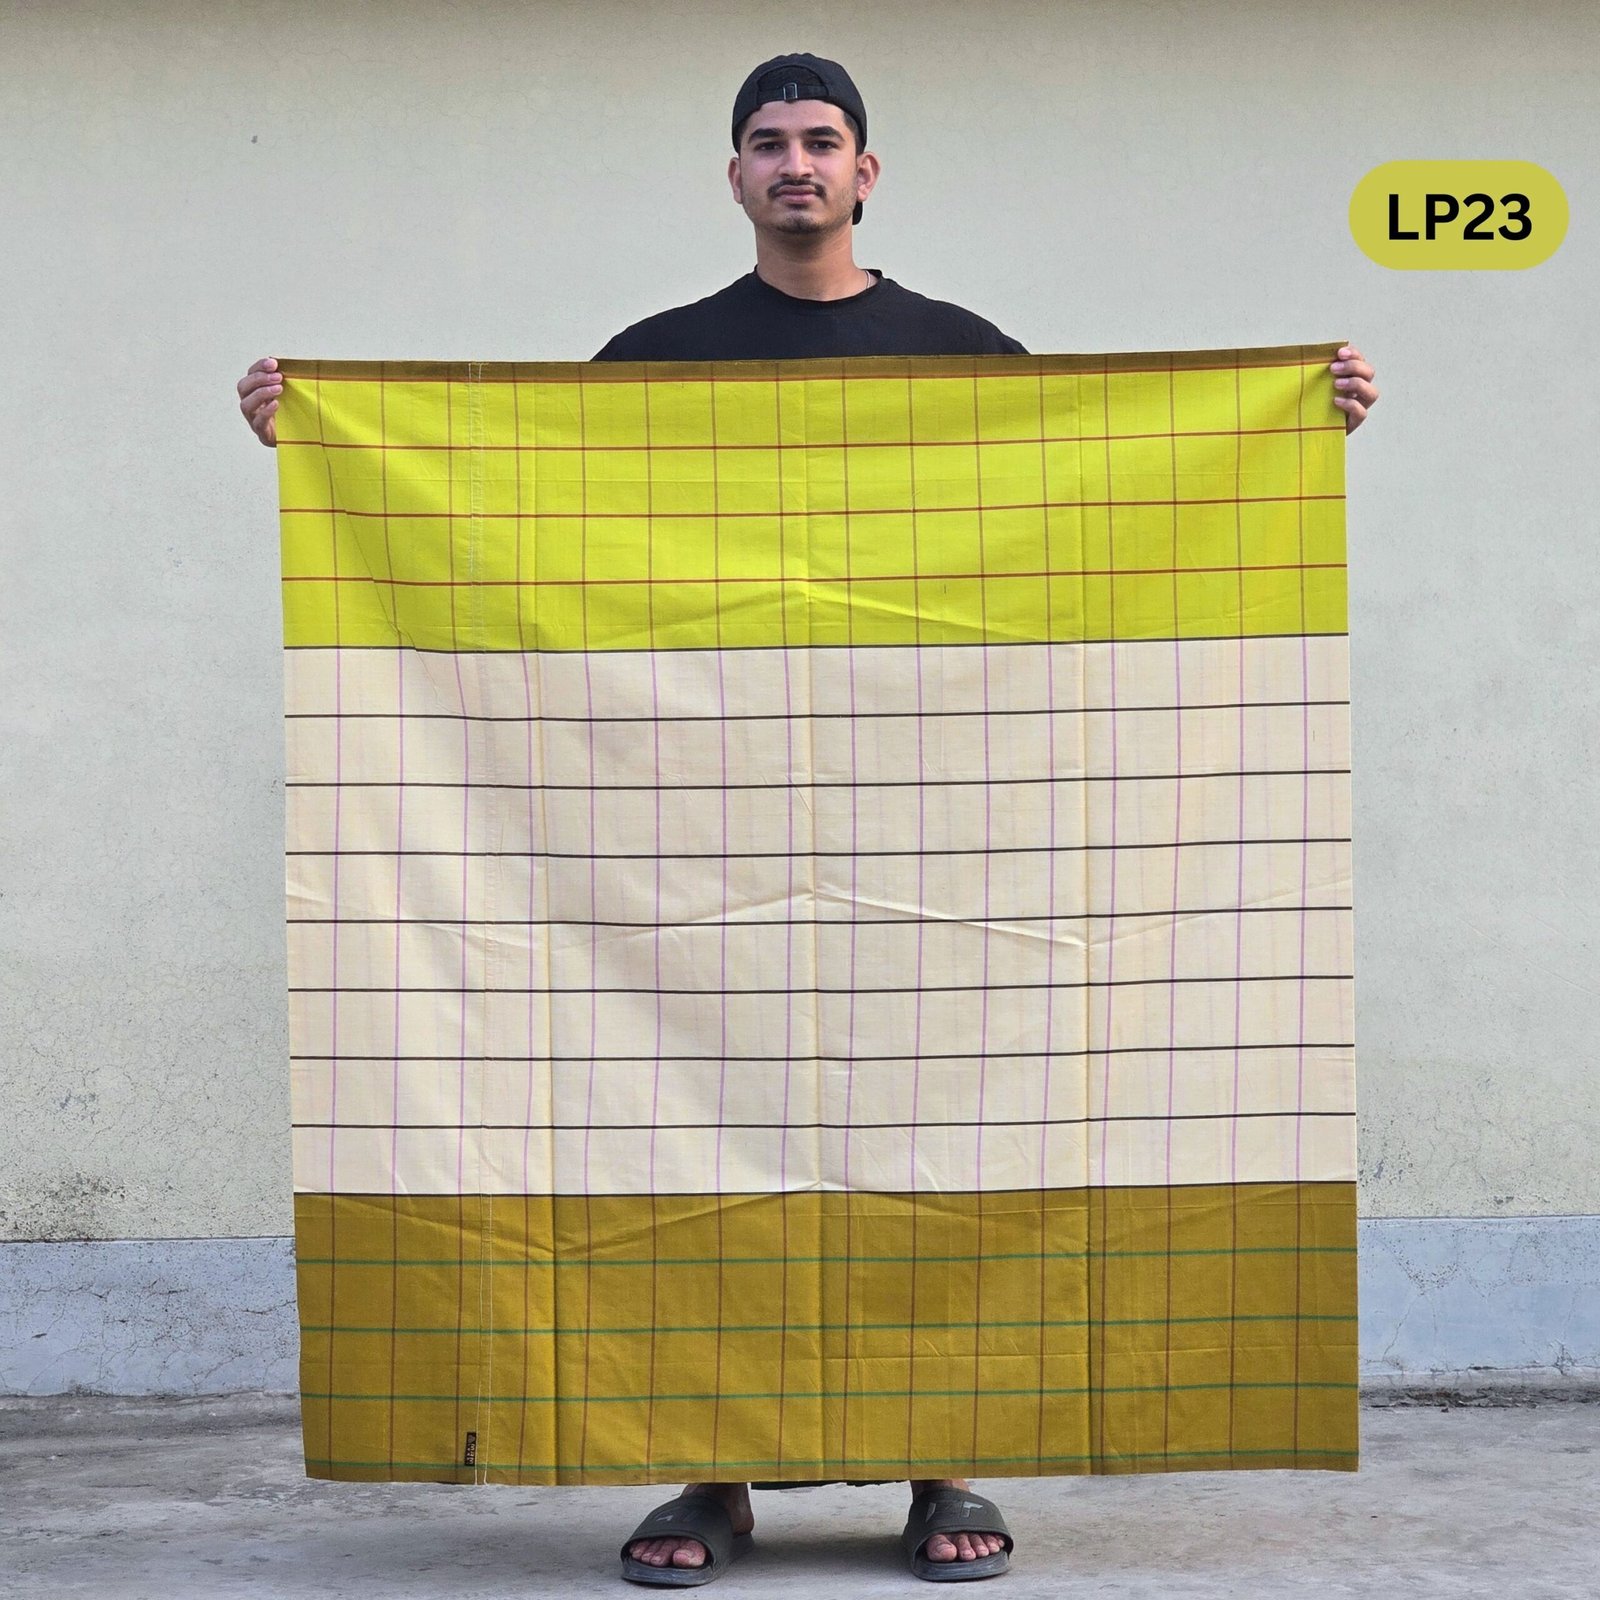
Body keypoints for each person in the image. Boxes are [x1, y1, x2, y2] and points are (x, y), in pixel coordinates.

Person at [236, 52, 1379, 1586]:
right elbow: (521, 519)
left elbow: (1092, 513)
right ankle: (711, 1477)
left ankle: (944, 1462)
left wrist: (1295, 433)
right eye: (768, 143)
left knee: (941, 1118)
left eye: (821, 141)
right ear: (734, 176)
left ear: (865, 172)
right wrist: (321, 444)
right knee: (701, 1116)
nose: (796, 164)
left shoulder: (965, 358)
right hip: (700, 827)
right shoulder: (656, 362)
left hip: (933, 824)